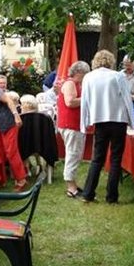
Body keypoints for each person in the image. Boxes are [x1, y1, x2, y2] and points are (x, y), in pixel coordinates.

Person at [80, 50, 134, 204]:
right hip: (118, 120)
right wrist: (132, 122)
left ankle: (88, 193)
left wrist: (85, 122)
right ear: (111, 61)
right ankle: (112, 197)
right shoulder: (118, 76)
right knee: (116, 159)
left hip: (100, 120)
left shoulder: (89, 77)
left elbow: (85, 101)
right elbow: (127, 99)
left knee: (97, 158)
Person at [59, 60, 91, 198]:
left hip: (74, 125)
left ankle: (72, 183)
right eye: (85, 74)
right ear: (78, 73)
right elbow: (70, 102)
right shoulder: (70, 83)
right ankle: (71, 188)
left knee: (75, 154)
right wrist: (86, 97)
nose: (86, 76)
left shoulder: (75, 83)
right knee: (73, 155)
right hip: (70, 125)